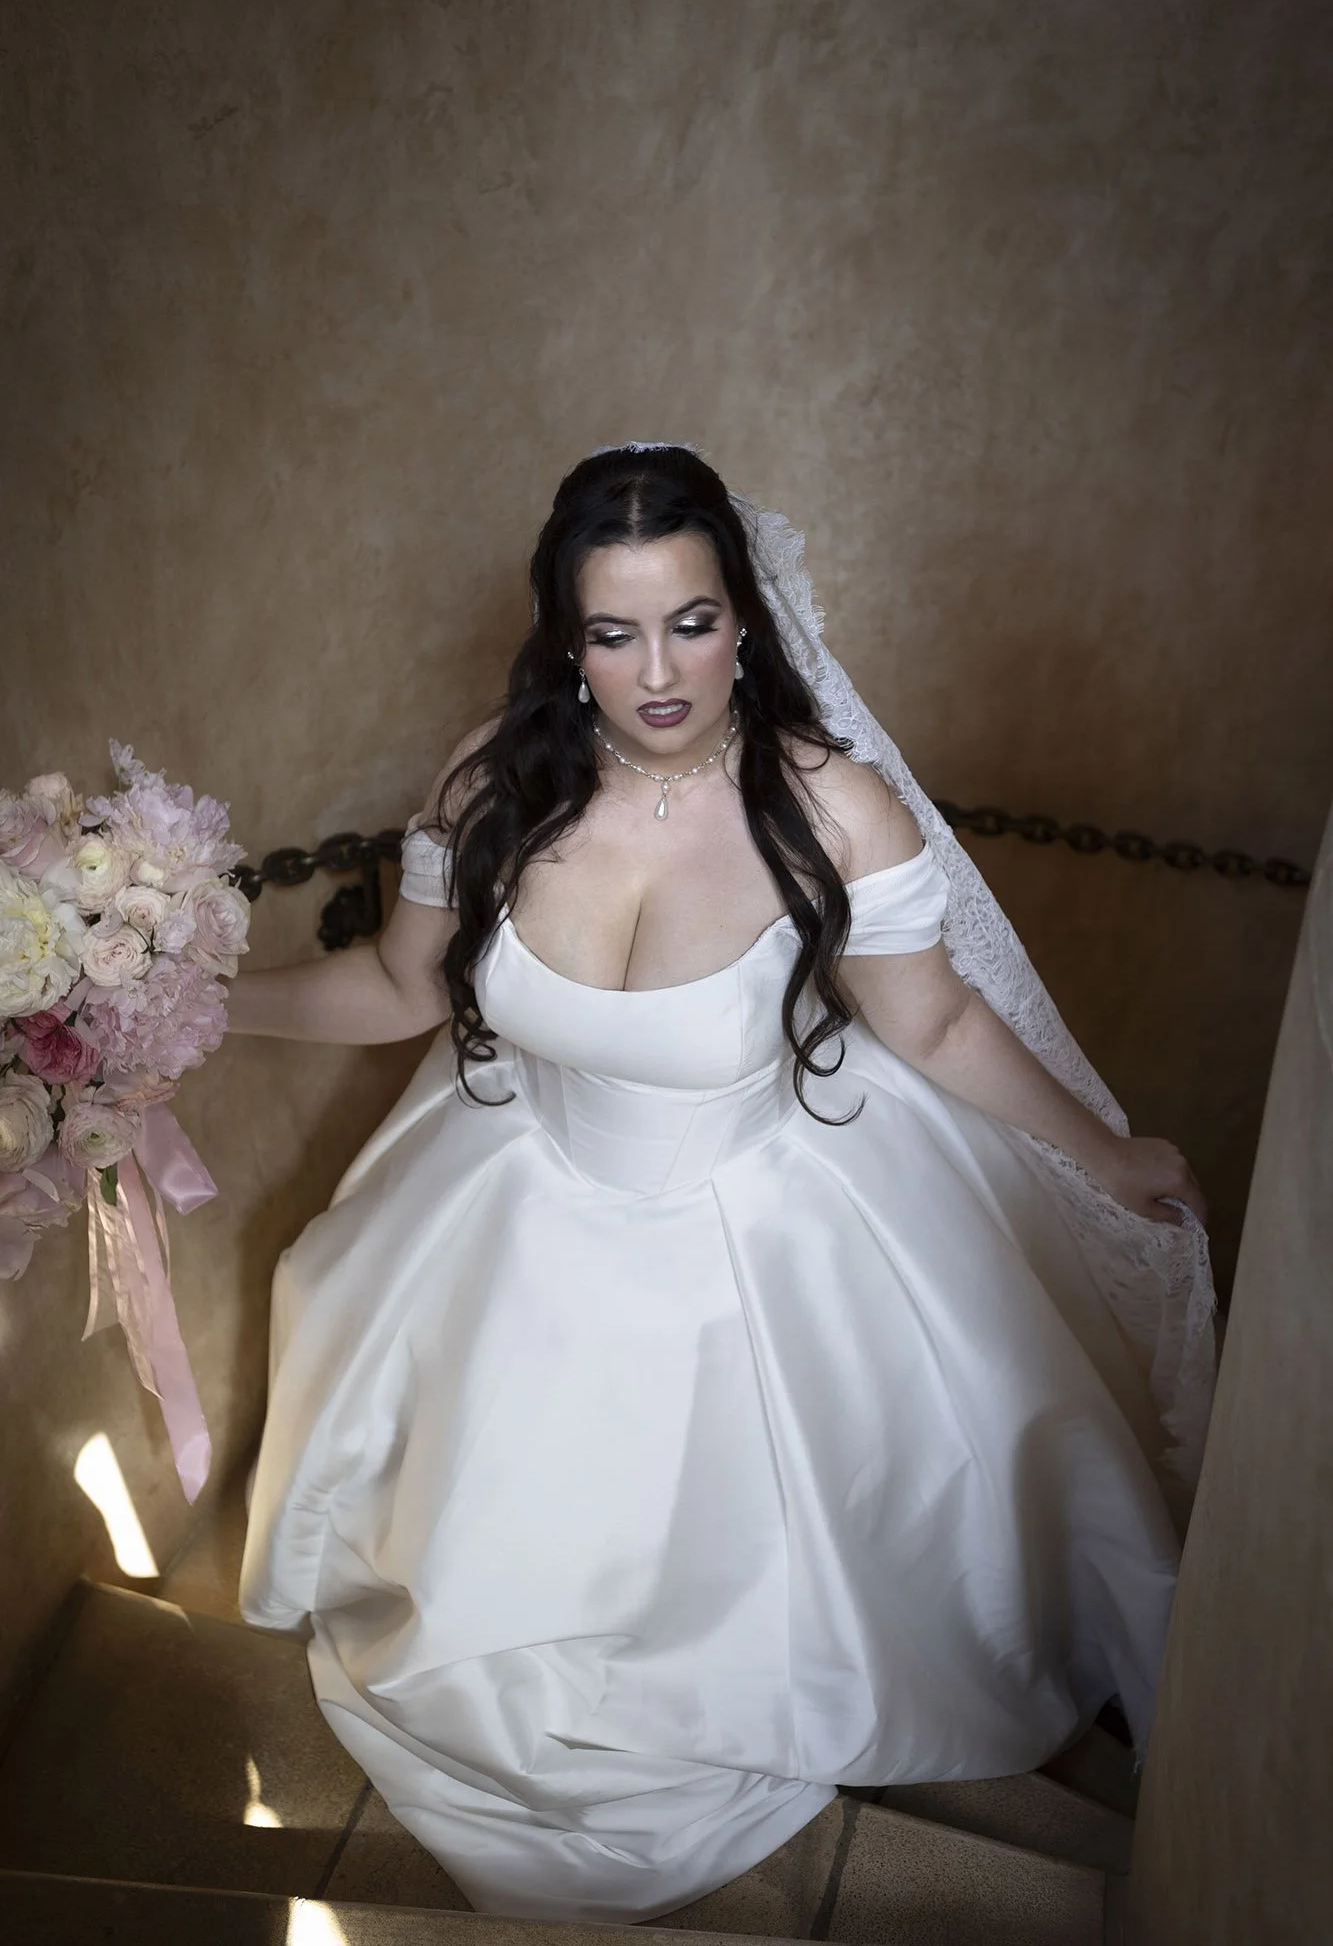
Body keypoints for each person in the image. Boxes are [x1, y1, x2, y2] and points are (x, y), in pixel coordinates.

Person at [230, 443, 1216, 1924]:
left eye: (689, 621)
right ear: (568, 642)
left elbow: (935, 1019)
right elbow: (392, 986)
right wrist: (196, 1004)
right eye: (614, 633)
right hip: (519, 1208)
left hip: (753, 1233)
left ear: (743, 616)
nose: (659, 670)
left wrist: (1104, 1154)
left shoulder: (834, 808)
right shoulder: (492, 782)